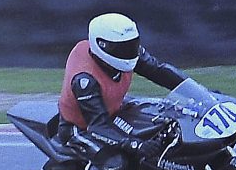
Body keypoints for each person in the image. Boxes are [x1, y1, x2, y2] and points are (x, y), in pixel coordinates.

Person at [56, 13, 189, 158]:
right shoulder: (85, 80)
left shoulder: (126, 54)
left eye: (132, 45)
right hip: (81, 127)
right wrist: (135, 145)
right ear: (102, 45)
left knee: (164, 118)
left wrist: (196, 90)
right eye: (122, 48)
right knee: (117, 166)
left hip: (114, 108)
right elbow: (98, 126)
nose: (129, 51)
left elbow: (158, 70)